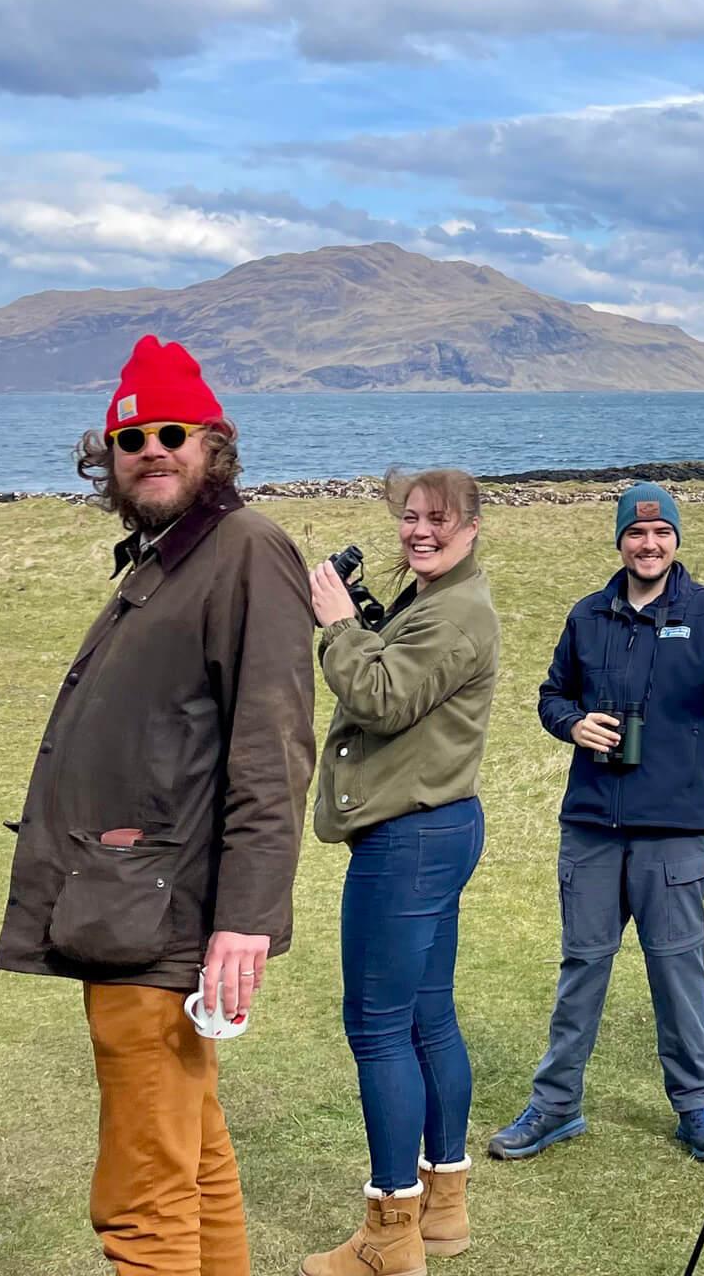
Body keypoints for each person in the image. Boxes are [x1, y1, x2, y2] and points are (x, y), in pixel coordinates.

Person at [0, 335, 315, 1275]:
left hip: (160, 910)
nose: (151, 449)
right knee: (194, 1158)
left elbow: (274, 747)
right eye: (130, 437)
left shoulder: (246, 550)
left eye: (172, 432)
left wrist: (247, 920)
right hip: (126, 903)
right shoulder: (163, 559)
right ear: (109, 456)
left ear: (213, 444)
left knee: (142, 1196)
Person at [490, 482, 704, 1164]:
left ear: (675, 540)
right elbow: (550, 695)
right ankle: (555, 1105)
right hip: (592, 825)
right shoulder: (588, 615)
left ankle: (697, 1109)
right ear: (620, 540)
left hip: (673, 831)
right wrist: (573, 724)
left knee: (677, 970)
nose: (647, 544)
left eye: (660, 534)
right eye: (635, 533)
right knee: (582, 968)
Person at [301, 469, 501, 1274]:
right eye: (410, 518)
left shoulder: (457, 613)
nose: (419, 531)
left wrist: (338, 625)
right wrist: (367, 621)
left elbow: (383, 698)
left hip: (407, 844)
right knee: (427, 1020)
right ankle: (442, 1209)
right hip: (439, 829)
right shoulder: (443, 599)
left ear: (473, 528)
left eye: (438, 520)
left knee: (378, 1028)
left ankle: (389, 1235)